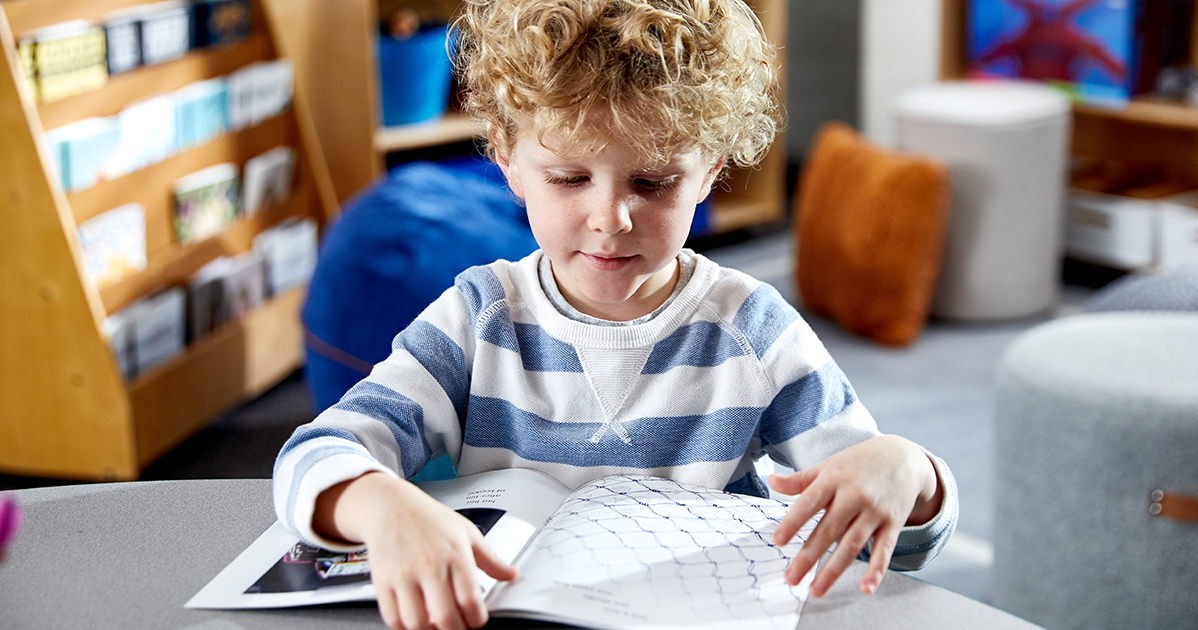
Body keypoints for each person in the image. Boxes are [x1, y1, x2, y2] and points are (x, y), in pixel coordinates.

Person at [273, 1, 959, 629]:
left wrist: (908, 473)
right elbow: (315, 453)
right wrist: (380, 506)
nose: (610, 219)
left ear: (710, 170)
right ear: (508, 161)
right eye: (570, 178)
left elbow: (884, 533)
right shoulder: (478, 315)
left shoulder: (753, 329)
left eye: (653, 182)